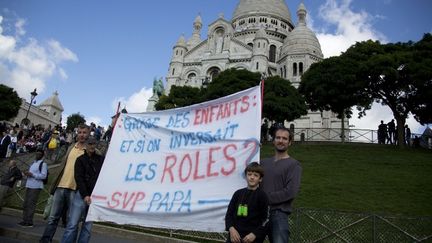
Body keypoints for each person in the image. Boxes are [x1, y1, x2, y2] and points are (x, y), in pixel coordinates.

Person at [40, 124, 90, 243]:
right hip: (61, 186)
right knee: (53, 218)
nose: (82, 135)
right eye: (80, 132)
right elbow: (63, 165)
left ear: (89, 134)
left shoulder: (91, 151)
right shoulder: (71, 147)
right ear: (77, 134)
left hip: (76, 190)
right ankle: (45, 240)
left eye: (84, 133)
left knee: (71, 221)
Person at [260, 127, 302, 243]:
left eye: (284, 138)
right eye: (278, 137)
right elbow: (248, 174)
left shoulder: (294, 165)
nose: (281, 141)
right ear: (273, 140)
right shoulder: (262, 163)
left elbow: (290, 192)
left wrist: (264, 199)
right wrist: (253, 150)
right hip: (258, 213)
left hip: (278, 214)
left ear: (290, 142)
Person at [61, 136, 104, 243]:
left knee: (87, 228)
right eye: (89, 144)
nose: (92, 146)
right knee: (72, 224)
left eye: (94, 143)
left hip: (94, 197)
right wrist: (85, 194)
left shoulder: (100, 159)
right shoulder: (80, 160)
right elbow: (79, 178)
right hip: (81, 195)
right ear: (86, 145)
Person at [225, 162, 269, 243]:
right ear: (246, 176)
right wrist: (231, 229)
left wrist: (254, 234)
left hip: (252, 238)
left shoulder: (262, 196)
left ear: (260, 179)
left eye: (256, 175)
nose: (252, 177)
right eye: (249, 174)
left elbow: (265, 219)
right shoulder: (237, 194)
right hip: (235, 237)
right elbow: (229, 214)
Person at [18, 150, 48, 227]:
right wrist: (27, 174)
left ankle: (29, 222)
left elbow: (43, 176)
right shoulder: (33, 163)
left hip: (36, 186)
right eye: (37, 153)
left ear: (42, 155)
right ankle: (24, 220)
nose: (38, 155)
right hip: (29, 185)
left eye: (40, 154)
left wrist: (32, 174)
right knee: (26, 203)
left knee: (31, 204)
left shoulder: (43, 164)